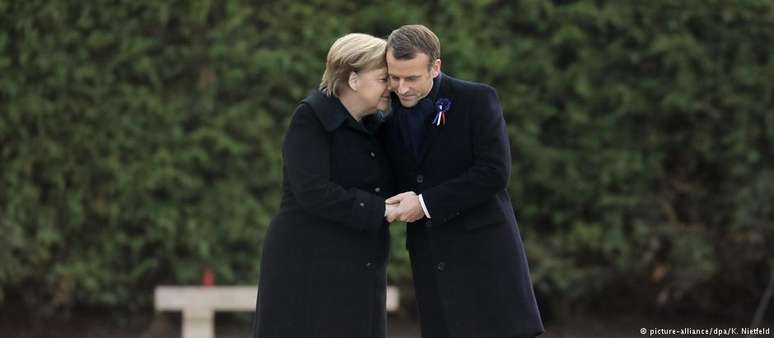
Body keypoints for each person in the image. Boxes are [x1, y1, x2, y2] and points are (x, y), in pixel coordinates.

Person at [381, 25, 544, 338]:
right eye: (394, 77)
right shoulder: (385, 117)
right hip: (432, 258)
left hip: (485, 254)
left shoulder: (477, 100)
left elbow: (494, 172)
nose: (401, 88)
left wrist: (426, 204)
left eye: (411, 78)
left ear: (436, 67)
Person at [253, 33, 396, 338]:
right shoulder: (311, 118)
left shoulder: (376, 126)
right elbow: (312, 191)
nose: (392, 86)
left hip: (358, 262)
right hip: (306, 262)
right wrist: (378, 209)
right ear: (354, 79)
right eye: (384, 78)